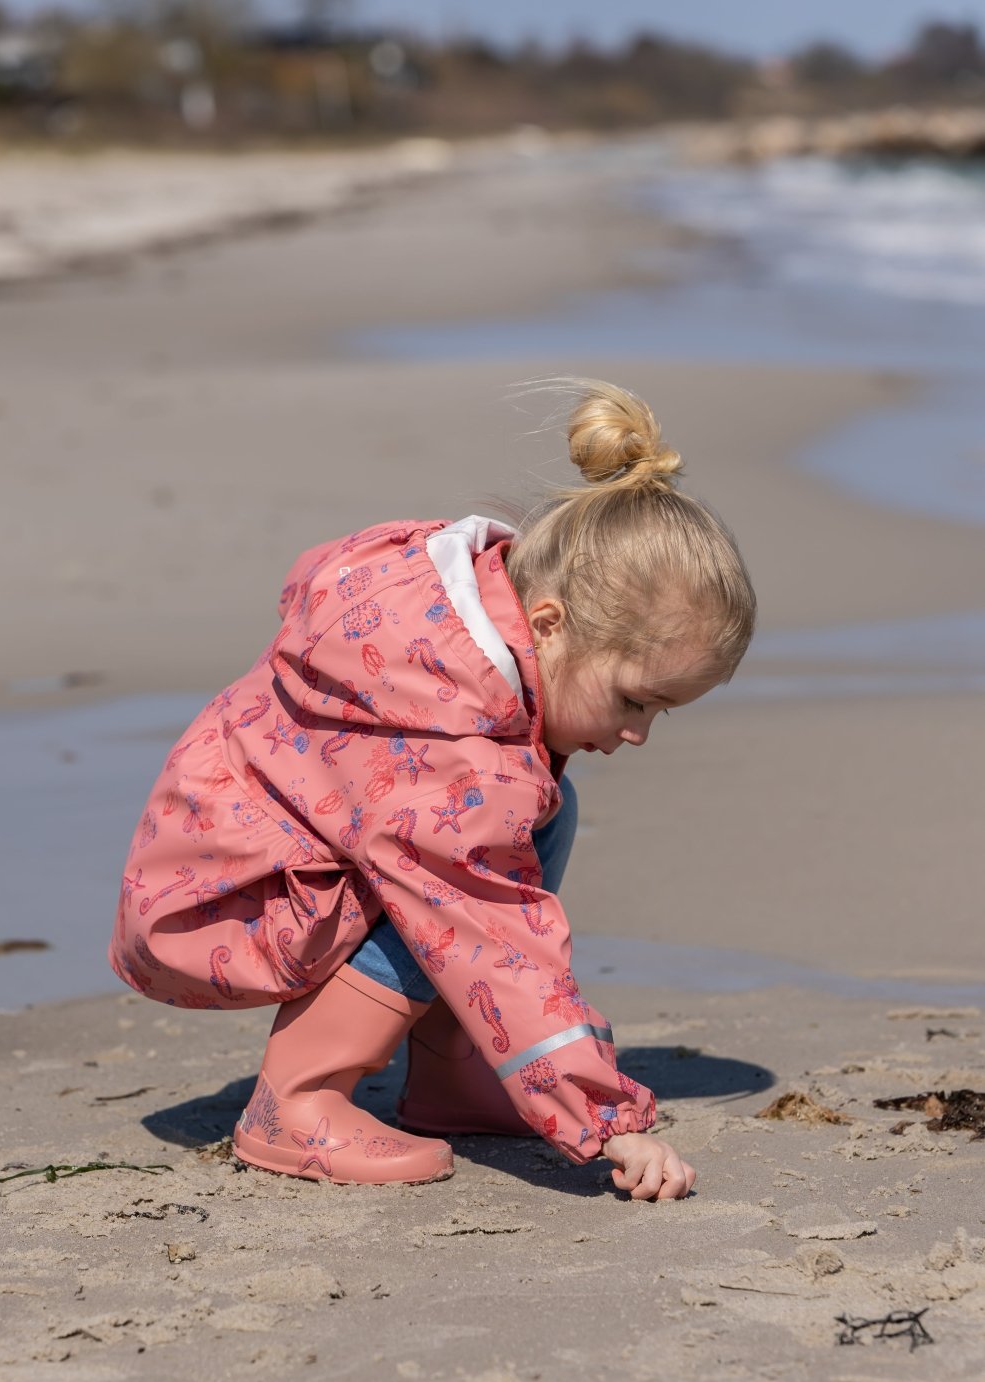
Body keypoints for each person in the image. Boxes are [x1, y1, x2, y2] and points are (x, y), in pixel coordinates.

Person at [109, 378, 755, 1198]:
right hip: (218, 905)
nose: (637, 733)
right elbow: (493, 937)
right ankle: (296, 1100)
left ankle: (452, 1078)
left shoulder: (449, 612)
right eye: (632, 699)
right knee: (456, 878)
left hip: (216, 858)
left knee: (536, 817)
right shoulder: (455, 750)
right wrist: (605, 1122)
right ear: (550, 622)